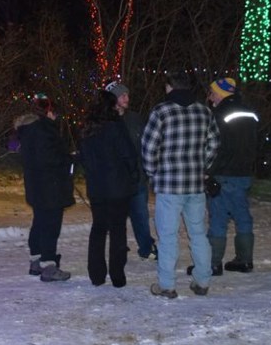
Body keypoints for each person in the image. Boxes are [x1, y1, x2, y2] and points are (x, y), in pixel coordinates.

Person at [141, 71, 220, 298]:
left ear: (169, 87)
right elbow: (214, 143)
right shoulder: (204, 111)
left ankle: (167, 285)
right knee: (198, 233)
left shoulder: (161, 112)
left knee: (168, 236)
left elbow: (148, 147)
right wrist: (201, 165)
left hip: (169, 186)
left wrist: (153, 172)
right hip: (195, 185)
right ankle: (202, 281)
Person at [193, 77, 259, 276]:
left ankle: (213, 263)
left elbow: (218, 148)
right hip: (244, 172)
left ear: (221, 93)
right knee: (242, 216)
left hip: (223, 174)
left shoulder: (218, 114)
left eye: (212, 92)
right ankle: (245, 260)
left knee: (218, 219)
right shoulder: (250, 113)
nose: (210, 97)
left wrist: (209, 172)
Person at [78, 90, 140, 287]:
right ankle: (117, 274)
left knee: (98, 228)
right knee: (117, 229)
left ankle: (96, 274)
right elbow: (128, 153)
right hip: (118, 185)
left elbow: (84, 158)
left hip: (97, 186)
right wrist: (133, 175)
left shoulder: (87, 128)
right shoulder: (115, 126)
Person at [13, 93, 74, 282]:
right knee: (50, 226)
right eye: (55, 114)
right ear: (49, 113)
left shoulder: (29, 132)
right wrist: (71, 158)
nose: (57, 118)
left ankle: (36, 260)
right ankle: (48, 264)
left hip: (37, 186)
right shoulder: (45, 131)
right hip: (51, 186)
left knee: (39, 223)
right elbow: (52, 159)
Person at [105, 80, 158, 261]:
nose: (127, 98)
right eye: (122, 95)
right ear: (113, 99)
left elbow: (147, 144)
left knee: (140, 215)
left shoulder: (135, 119)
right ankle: (118, 246)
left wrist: (147, 168)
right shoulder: (105, 121)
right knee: (116, 217)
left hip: (137, 178)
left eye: (127, 94)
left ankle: (146, 247)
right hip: (115, 180)